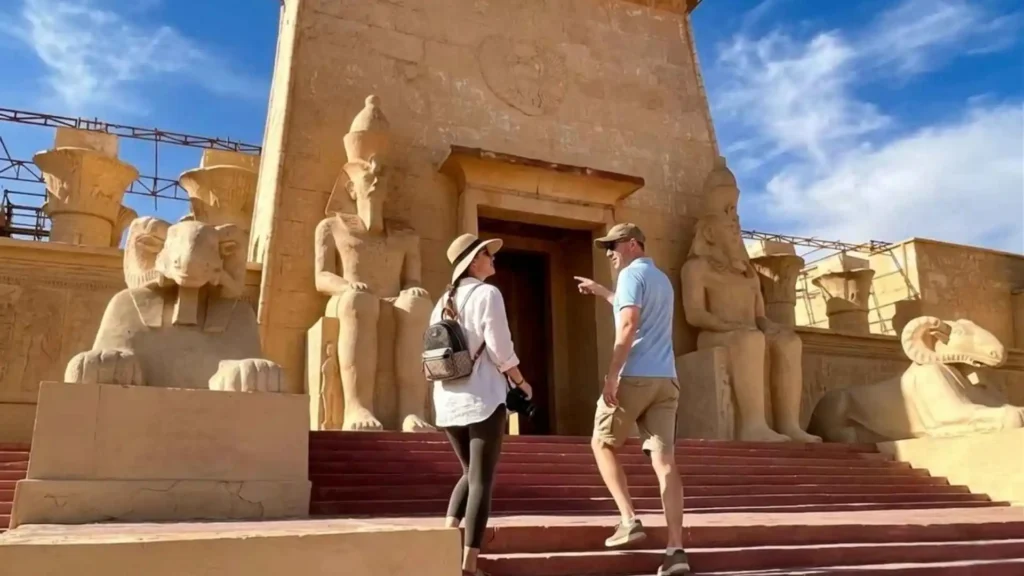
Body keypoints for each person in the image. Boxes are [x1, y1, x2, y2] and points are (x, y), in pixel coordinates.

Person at [575, 223, 690, 576]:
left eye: (612, 245)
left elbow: (628, 325)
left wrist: (612, 375)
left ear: (631, 244)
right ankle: (676, 552)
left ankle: (628, 519)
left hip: (635, 376)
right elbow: (636, 312)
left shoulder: (629, 276)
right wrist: (602, 292)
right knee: (665, 461)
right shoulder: (661, 279)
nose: (608, 252)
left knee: (602, 443)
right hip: (666, 379)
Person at [430, 233, 533, 576]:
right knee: (481, 481)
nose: (493, 260)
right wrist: (522, 383)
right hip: (484, 398)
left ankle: (445, 543)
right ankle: (469, 566)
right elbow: (501, 350)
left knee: (469, 474)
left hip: (447, 400)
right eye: (489, 255)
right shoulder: (488, 294)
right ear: (474, 261)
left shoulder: (441, 301)